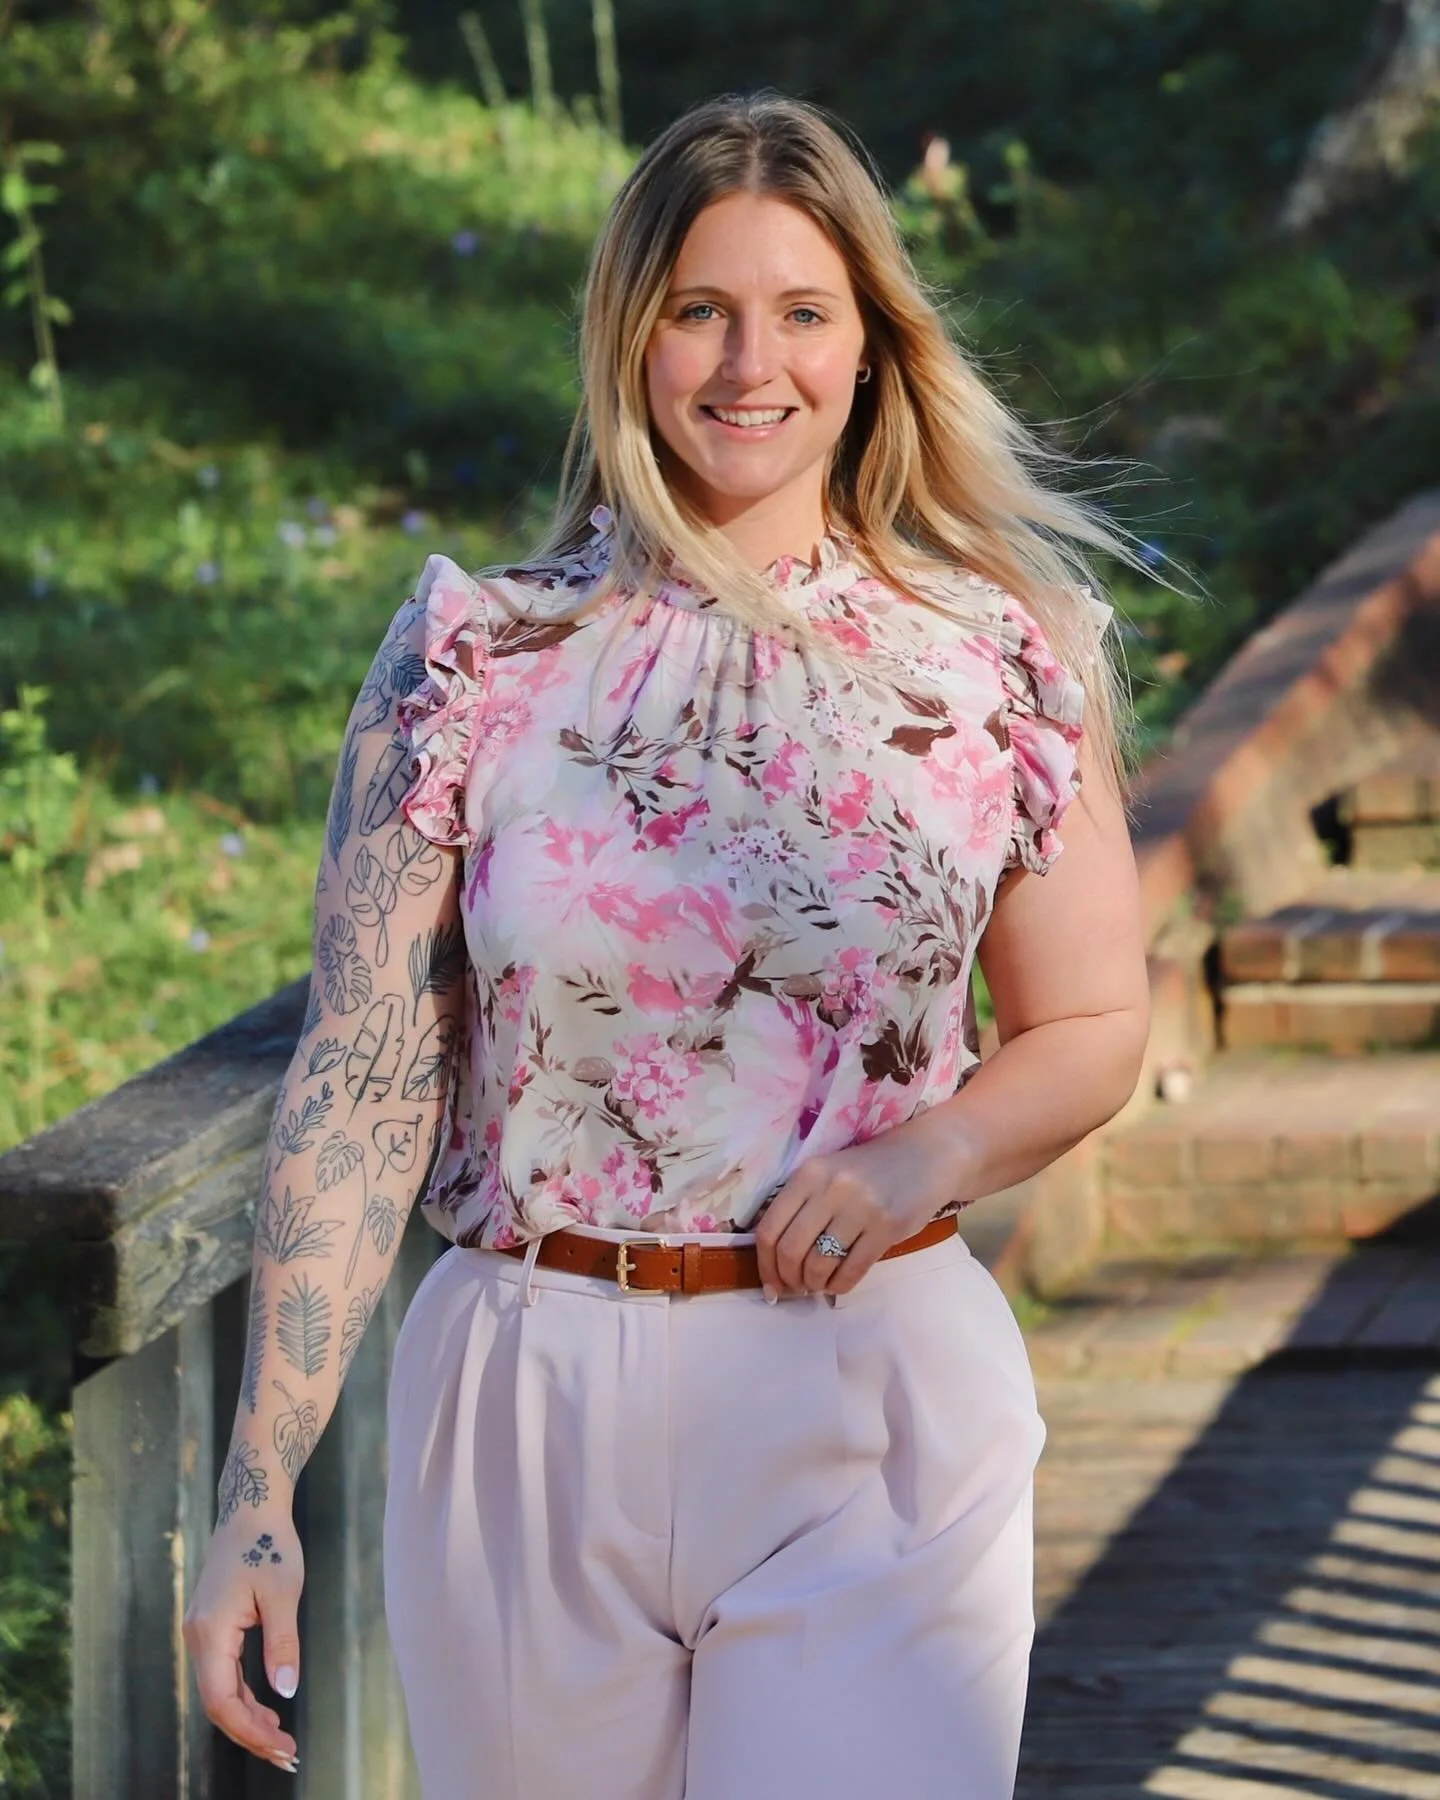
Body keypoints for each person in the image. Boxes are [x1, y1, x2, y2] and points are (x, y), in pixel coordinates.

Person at [183, 90, 1149, 1800]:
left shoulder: (996, 657)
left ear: (872, 345)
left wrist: (925, 1156)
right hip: (526, 1394)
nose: (748, 365)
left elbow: (1090, 1023)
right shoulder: (471, 655)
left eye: (803, 312)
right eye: (700, 309)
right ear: (631, 335)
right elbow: (363, 1077)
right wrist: (257, 1491)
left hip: (871, 1387)